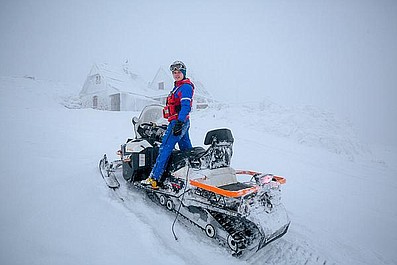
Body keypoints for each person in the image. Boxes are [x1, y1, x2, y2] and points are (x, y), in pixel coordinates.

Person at [141, 60, 194, 189]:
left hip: (178, 122)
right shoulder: (178, 86)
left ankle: (154, 178)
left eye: (179, 72)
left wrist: (179, 123)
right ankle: (192, 174)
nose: (176, 74)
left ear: (184, 73)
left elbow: (186, 106)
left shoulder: (185, 87)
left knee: (165, 147)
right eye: (174, 72)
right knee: (186, 149)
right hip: (181, 122)